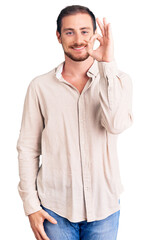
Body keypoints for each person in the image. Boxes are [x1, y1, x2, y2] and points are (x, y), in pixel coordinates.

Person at [16, 5, 133, 240]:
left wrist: (107, 65)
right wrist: (31, 206)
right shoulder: (40, 87)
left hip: (104, 209)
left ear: (95, 35)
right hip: (54, 210)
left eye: (84, 31)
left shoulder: (119, 80)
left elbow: (115, 124)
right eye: (69, 32)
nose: (78, 39)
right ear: (58, 36)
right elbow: (28, 148)